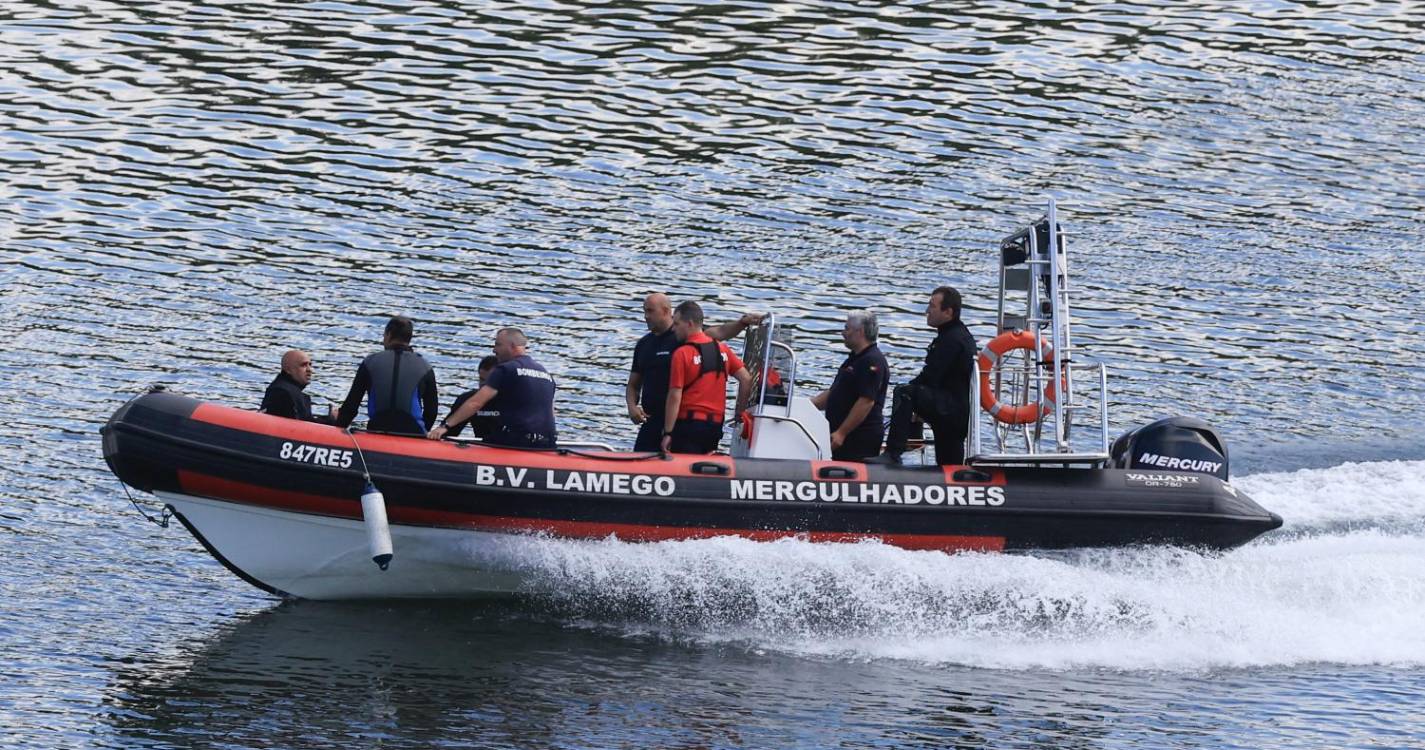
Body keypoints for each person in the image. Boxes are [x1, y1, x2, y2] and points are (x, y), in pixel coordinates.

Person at [626, 293, 762, 451]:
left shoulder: (684, 335)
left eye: (650, 311)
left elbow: (721, 332)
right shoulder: (643, 345)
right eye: (644, 311)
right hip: (651, 420)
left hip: (677, 420)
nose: (646, 316)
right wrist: (632, 406)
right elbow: (633, 385)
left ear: (665, 311)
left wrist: (741, 323)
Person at [870, 286, 977, 465]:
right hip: (957, 411)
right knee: (949, 461)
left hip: (949, 409)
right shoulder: (958, 335)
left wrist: (913, 401)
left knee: (904, 392)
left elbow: (930, 377)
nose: (927, 311)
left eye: (932, 306)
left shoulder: (951, 340)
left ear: (948, 312)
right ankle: (953, 475)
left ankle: (893, 452)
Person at [428, 328, 556, 448]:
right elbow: (550, 413)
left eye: (498, 344)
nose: (494, 350)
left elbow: (475, 403)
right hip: (546, 443)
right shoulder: (546, 374)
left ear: (512, 346)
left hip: (515, 442)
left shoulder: (506, 369)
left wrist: (445, 426)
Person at [661, 301, 754, 454]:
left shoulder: (682, 353)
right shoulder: (722, 349)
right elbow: (746, 379)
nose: (673, 328)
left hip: (688, 425)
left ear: (689, 324)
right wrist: (740, 413)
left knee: (684, 470)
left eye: (677, 324)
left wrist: (668, 432)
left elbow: (675, 395)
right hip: (714, 426)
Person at [335, 315, 439, 436]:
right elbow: (431, 412)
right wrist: (422, 435)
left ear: (388, 334)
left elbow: (351, 407)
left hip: (377, 430)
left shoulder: (370, 362)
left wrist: (337, 432)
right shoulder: (425, 367)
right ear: (409, 338)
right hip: (413, 434)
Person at [811, 311, 890, 461]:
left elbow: (866, 401)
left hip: (857, 438)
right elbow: (835, 392)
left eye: (847, 328)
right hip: (842, 436)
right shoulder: (855, 359)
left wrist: (842, 432)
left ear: (859, 332)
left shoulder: (871, 361)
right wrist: (807, 405)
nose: (843, 333)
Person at [259, 349, 336, 423]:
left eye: (310, 365)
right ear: (288, 369)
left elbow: (306, 421)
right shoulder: (284, 392)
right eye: (303, 365)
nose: (310, 370)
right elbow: (302, 426)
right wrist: (332, 420)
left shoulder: (283, 388)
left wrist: (329, 418)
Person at [443, 355, 499, 439]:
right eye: (482, 379)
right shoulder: (466, 399)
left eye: (490, 381)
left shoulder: (517, 400)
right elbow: (448, 434)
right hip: (481, 448)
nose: (484, 385)